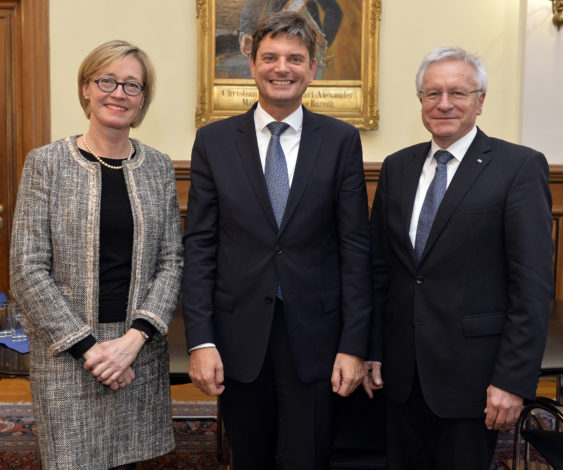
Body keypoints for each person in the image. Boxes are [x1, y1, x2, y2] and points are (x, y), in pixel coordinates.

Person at [183, 11, 373, 470]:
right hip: (238, 334)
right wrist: (201, 341)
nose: (281, 68)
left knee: (306, 456)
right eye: (270, 57)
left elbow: (355, 248)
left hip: (316, 335)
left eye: (295, 58)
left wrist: (354, 345)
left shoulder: (341, 141)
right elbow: (200, 247)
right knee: (248, 457)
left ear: (313, 68)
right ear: (251, 63)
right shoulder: (213, 141)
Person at [364, 46, 554, 469]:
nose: (444, 104)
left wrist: (511, 380)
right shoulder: (397, 168)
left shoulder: (518, 167)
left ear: (480, 101)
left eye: (458, 93)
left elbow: (533, 286)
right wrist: (372, 348)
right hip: (401, 372)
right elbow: (381, 271)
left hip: (474, 376)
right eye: (432, 94)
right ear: (420, 102)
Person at [9, 40, 183, 470]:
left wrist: (132, 342)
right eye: (106, 80)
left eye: (131, 85)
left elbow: (172, 261)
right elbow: (27, 268)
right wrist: (91, 351)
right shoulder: (46, 163)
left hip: (137, 351)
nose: (118, 93)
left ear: (143, 100)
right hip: (67, 354)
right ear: (86, 88)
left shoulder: (159, 167)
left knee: (133, 460)